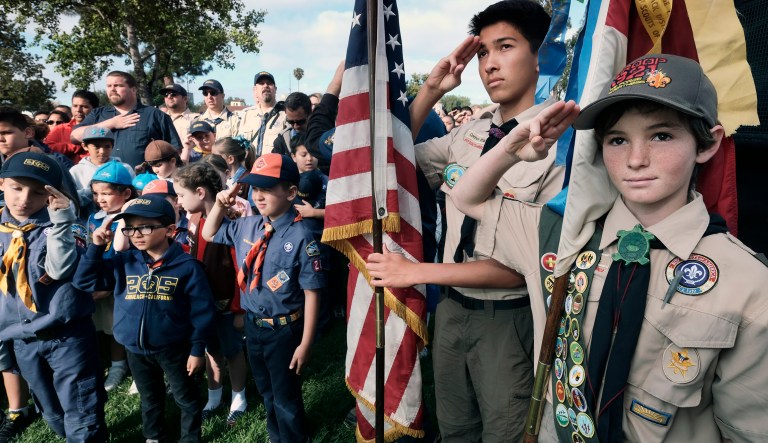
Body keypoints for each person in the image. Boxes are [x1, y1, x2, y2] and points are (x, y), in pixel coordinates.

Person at [449, 54, 768, 441]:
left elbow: (748, 431)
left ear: (706, 144)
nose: (636, 159)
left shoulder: (748, 284)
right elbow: (467, 198)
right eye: (618, 140)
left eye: (661, 135)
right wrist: (510, 149)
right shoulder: (560, 236)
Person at [368, 2, 561, 440]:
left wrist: (416, 273)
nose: (489, 64)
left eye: (505, 47)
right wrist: (431, 90)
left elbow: (520, 267)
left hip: (508, 318)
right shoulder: (471, 132)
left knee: (505, 430)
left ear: (542, 54)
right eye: (482, 53)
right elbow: (393, 163)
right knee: (455, 427)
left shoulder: (558, 144)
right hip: (452, 309)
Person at [201, 153, 325, 442]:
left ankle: (294, 437)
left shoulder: (302, 235)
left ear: (291, 193)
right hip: (255, 326)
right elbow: (209, 233)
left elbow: (312, 292)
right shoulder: (250, 225)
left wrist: (306, 343)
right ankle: (275, 435)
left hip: (285, 329)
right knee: (266, 389)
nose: (259, 195)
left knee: (285, 394)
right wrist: (220, 204)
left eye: (268, 188)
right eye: (255, 188)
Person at [74, 194, 215, 442]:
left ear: (170, 230)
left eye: (145, 227)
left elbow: (202, 312)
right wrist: (96, 247)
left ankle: (190, 438)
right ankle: (153, 436)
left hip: (174, 348)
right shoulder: (123, 263)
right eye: (130, 228)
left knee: (186, 398)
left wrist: (196, 350)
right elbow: (83, 282)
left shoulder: (188, 267)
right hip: (135, 349)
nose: (136, 234)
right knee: (150, 397)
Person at [0, 151, 107, 441]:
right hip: (22, 339)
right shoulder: (2, 228)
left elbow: (59, 270)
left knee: (81, 408)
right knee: (50, 410)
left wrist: (61, 219)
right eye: (16, 188)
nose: (24, 199)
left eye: (37, 193)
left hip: (66, 335)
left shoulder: (64, 227)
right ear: (1, 184)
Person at [173, 163, 249, 426]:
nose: (179, 202)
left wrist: (239, 309)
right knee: (210, 349)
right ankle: (214, 396)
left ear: (201, 192)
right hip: (201, 305)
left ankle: (239, 398)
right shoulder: (193, 221)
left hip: (226, 303)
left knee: (232, 350)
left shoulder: (228, 223)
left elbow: (240, 268)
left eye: (181, 196)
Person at [88, 160, 137, 392]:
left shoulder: (134, 217)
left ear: (126, 193)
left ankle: (125, 366)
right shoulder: (93, 218)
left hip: (123, 281)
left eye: (106, 193)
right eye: (96, 193)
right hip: (100, 282)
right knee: (105, 324)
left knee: (120, 326)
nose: (100, 199)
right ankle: (113, 364)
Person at [71, 70, 182, 168]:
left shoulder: (155, 115)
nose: (112, 90)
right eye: (109, 86)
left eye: (118, 85)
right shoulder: (97, 114)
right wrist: (111, 123)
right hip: (105, 186)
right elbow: (75, 136)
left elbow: (175, 151)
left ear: (133, 89)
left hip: (145, 184)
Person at [69, 127, 135, 211]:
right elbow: (72, 200)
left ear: (112, 146)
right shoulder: (76, 171)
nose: (102, 151)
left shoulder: (125, 168)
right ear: (84, 146)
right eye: (96, 146)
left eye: (107, 146)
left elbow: (133, 194)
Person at [235, 71, 287, 156]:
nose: (265, 86)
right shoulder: (246, 115)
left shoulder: (285, 115)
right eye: (261, 83)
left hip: (274, 167)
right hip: (250, 168)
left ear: (275, 89)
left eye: (269, 83)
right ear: (255, 90)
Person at [45, 90, 100, 163]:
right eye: (75, 106)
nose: (78, 110)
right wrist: (74, 146)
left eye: (84, 107)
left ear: (95, 109)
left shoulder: (102, 129)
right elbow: (46, 148)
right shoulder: (60, 128)